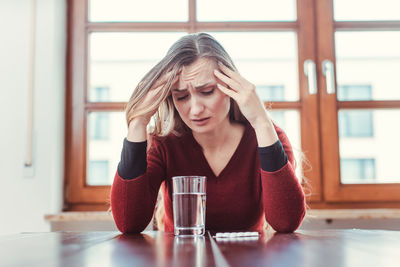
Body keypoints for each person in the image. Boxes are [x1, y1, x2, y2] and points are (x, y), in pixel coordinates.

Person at [111, 32, 306, 234]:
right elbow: (128, 223)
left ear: (232, 86)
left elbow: (286, 222)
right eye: (182, 96)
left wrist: (261, 122)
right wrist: (138, 123)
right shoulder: (162, 144)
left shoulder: (266, 137)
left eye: (207, 92)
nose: (195, 109)